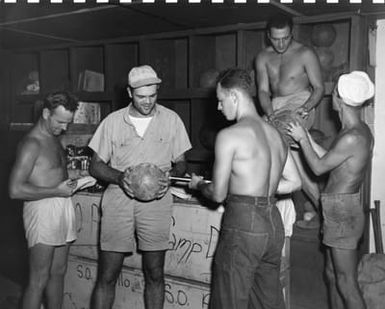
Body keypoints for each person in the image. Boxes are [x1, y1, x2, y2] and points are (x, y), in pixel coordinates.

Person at [189, 68, 301, 309]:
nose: (219, 108)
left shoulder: (230, 135)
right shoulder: (277, 135)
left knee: (229, 300)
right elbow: (295, 182)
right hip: (272, 223)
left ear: (234, 97)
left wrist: (199, 185)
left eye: (221, 101)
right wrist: (256, 186)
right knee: (267, 301)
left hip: (243, 223)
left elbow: (218, 194)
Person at [88, 65, 192, 309]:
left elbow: (181, 163)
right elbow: (96, 166)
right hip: (118, 202)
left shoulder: (171, 120)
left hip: (157, 203)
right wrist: (119, 177)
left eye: (153, 95)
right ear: (129, 92)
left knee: (155, 273)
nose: (147, 102)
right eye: (141, 96)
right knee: (108, 274)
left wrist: (171, 176)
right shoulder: (112, 122)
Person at [287, 70, 374, 309]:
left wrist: (303, 139)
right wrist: (304, 138)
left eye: (333, 92)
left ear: (339, 99)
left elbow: (317, 168)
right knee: (332, 275)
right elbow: (330, 159)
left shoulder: (351, 136)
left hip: (342, 212)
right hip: (338, 208)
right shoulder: (357, 130)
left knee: (346, 282)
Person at [8, 92, 79, 309]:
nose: (64, 128)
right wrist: (56, 191)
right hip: (42, 209)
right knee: (38, 279)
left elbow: (52, 172)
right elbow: (15, 189)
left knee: (58, 272)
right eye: (60, 121)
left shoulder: (54, 137)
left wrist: (72, 177)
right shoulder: (31, 143)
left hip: (61, 204)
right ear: (46, 113)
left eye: (68, 122)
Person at [255, 13, 325, 209]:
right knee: (252, 136)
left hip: (300, 101)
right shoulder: (262, 57)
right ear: (268, 35)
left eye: (285, 38)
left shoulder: (305, 53)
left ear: (291, 33)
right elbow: (262, 91)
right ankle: (319, 208)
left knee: (281, 134)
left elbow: (319, 88)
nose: (281, 43)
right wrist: (269, 112)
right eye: (276, 39)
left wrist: (306, 108)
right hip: (275, 105)